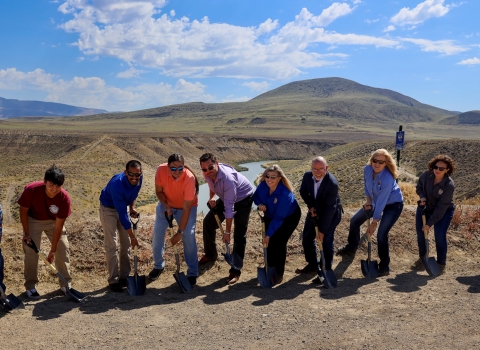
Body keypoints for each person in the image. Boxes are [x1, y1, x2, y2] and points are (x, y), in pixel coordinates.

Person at [337, 149, 404, 276]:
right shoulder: (367, 170)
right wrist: (368, 200)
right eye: (375, 160)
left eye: (381, 162)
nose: (377, 164)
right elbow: (367, 187)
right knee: (355, 221)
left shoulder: (388, 179)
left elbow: (381, 203)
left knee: (381, 235)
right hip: (375, 201)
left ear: (386, 164)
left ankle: (384, 266)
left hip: (393, 205)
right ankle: (352, 247)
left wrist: (374, 223)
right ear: (371, 160)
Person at [199, 153, 254, 285]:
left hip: (243, 198)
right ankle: (211, 254)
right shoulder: (207, 173)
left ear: (216, 163)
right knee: (208, 222)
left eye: (210, 168)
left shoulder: (228, 179)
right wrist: (212, 197)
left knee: (239, 234)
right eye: (204, 169)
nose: (208, 171)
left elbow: (229, 208)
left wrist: (227, 233)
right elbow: (211, 185)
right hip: (226, 196)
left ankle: (235, 270)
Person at [18, 165, 72, 299]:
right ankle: (30, 286)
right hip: (33, 219)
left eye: (58, 186)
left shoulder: (64, 198)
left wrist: (53, 250)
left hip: (53, 221)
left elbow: (58, 227)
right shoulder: (32, 190)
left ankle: (65, 283)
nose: (54, 189)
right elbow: (23, 212)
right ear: (45, 181)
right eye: (51, 185)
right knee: (31, 250)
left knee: (63, 247)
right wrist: (26, 233)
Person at [149, 154, 199, 286]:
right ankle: (158, 265)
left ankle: (193, 272)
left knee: (189, 235)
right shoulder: (161, 170)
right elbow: (159, 192)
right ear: (168, 166)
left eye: (180, 168)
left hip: (186, 208)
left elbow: (187, 208)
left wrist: (179, 233)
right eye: (173, 168)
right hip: (166, 205)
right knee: (157, 233)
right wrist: (166, 206)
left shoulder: (189, 178)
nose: (177, 171)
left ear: (184, 166)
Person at [253, 164, 301, 285]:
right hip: (270, 214)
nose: (269, 179)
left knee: (278, 242)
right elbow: (256, 196)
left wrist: (268, 235)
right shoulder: (263, 185)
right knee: (269, 244)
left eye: (273, 177)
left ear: (279, 178)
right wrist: (259, 204)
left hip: (289, 217)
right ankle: (269, 267)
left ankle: (278, 273)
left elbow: (279, 218)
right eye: (267, 176)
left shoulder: (285, 194)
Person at [99, 160, 142, 292]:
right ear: (125, 172)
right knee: (111, 245)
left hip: (123, 207)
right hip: (109, 209)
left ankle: (125, 276)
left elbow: (134, 193)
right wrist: (133, 237)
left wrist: (132, 207)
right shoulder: (117, 185)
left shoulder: (139, 178)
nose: (134, 178)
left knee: (126, 244)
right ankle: (113, 280)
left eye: (137, 174)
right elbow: (122, 215)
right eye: (131, 174)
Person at [297, 157, 342, 281]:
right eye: (314, 169)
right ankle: (313, 264)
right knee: (307, 237)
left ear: (326, 168)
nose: (317, 172)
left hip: (330, 215)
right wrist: (311, 206)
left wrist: (322, 230)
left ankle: (326, 269)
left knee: (326, 241)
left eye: (320, 169)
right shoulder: (307, 176)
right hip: (315, 211)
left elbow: (330, 209)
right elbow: (303, 192)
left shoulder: (332, 183)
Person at [413, 155, 456, 275]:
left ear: (447, 170)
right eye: (435, 167)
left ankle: (441, 263)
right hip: (425, 207)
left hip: (444, 211)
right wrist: (422, 196)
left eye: (441, 168)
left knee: (439, 235)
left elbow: (441, 209)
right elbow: (419, 186)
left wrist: (429, 224)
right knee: (421, 234)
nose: (437, 170)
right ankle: (423, 258)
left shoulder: (449, 185)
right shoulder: (427, 175)